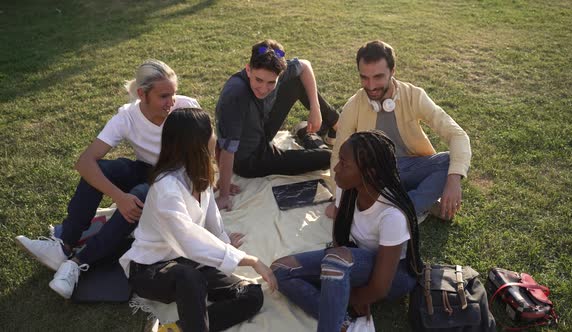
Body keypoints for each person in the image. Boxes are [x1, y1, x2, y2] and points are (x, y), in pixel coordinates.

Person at [15, 60, 199, 299]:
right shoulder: (127, 116)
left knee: (139, 197)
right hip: (147, 169)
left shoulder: (186, 108)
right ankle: (64, 245)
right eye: (164, 96)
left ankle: (79, 263)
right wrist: (118, 197)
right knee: (103, 169)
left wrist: (214, 189)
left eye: (173, 93)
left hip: (175, 180)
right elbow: (85, 162)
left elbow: (208, 146)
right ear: (142, 94)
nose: (171, 101)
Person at [119, 108, 276, 332]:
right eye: (211, 132)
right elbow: (189, 239)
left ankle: (176, 329)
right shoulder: (167, 189)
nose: (215, 137)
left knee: (251, 295)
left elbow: (212, 220)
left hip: (190, 262)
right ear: (197, 143)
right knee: (188, 277)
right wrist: (247, 259)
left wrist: (225, 244)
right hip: (150, 270)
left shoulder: (198, 174)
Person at [272, 130, 422, 332]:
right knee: (280, 271)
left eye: (344, 163)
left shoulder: (391, 215)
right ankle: (344, 323)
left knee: (336, 262)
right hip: (352, 260)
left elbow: (380, 287)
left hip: (394, 276)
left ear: (368, 172)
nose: (335, 168)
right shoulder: (347, 188)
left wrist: (349, 295)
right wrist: (336, 293)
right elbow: (339, 238)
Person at [326, 40, 471, 221]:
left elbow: (457, 135)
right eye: (364, 77)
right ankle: (412, 207)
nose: (370, 86)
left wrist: (454, 180)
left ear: (393, 71)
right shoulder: (353, 106)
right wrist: (339, 201)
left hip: (409, 167)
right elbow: (337, 155)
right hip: (374, 176)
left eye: (378, 77)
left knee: (450, 161)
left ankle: (399, 212)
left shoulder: (414, 95)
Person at [215, 39, 340, 210]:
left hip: (262, 128)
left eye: (271, 82)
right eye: (258, 80)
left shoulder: (275, 72)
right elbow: (226, 149)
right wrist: (223, 192)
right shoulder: (236, 97)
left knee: (298, 81)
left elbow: (305, 65)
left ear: (279, 75)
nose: (263, 88)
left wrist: (315, 107)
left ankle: (334, 125)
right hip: (250, 159)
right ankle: (309, 137)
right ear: (248, 69)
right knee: (330, 158)